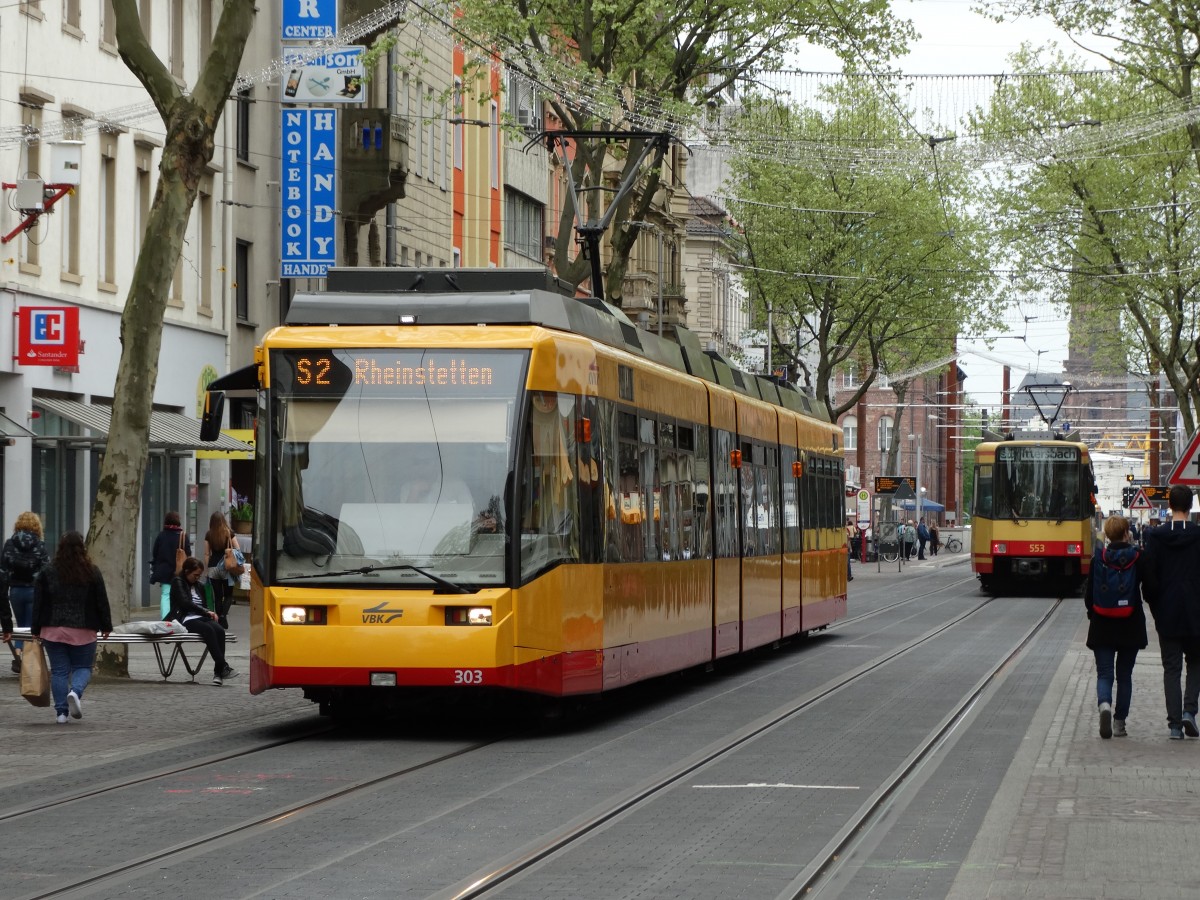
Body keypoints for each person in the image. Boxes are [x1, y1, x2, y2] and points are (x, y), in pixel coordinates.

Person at [30, 531, 112, 724]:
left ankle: (61, 714)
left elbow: (38, 601)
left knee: (59, 671)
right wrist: (106, 625)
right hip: (83, 628)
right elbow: (102, 600)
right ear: (82, 548)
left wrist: (35, 629)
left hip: (53, 628)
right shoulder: (92, 570)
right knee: (83, 667)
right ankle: (75, 691)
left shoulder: (47, 571)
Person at [1141, 485, 1200, 740]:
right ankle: (1189, 711)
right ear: (1190, 507)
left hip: (1167, 612)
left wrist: (1155, 608)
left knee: (1171, 668)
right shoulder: (1199, 536)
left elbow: (1149, 579)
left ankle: (1175, 726)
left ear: (1170, 505)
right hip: (1196, 613)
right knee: (1197, 662)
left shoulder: (1155, 537)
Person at [1084, 515, 1148, 738]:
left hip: (1103, 623)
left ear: (1107, 535)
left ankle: (1104, 705)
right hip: (1130, 623)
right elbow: (1148, 588)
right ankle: (1119, 723)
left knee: (1104, 673)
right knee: (1124, 675)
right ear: (1126, 533)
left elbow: (1089, 594)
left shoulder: (1098, 558)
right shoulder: (1138, 558)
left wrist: (1093, 614)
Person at [169, 557, 238, 686]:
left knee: (219, 630)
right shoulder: (178, 582)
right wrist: (205, 612)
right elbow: (185, 603)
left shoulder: (199, 585)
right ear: (186, 571)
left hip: (200, 616)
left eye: (199, 575)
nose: (197, 578)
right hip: (185, 618)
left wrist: (209, 613)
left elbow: (204, 605)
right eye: (195, 575)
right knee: (208, 630)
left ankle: (219, 672)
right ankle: (223, 666)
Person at [1, 511, 50, 673]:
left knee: (21, 625)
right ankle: (28, 661)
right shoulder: (40, 545)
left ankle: (18, 655)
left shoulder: (9, 544)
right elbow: (46, 572)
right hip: (34, 592)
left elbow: (4, 571)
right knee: (30, 627)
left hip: (15, 591)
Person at [149, 512, 190, 620]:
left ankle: (165, 619)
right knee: (180, 594)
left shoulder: (161, 535)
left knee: (166, 594)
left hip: (165, 571)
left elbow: (155, 552)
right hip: (179, 570)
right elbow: (188, 553)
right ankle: (178, 617)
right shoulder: (183, 536)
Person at [203, 511, 237, 630]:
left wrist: (207, 569)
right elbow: (237, 548)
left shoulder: (209, 534)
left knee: (217, 595)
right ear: (223, 521)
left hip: (213, 567)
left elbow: (207, 553)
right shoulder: (229, 533)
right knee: (228, 595)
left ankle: (219, 619)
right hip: (227, 568)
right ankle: (223, 616)